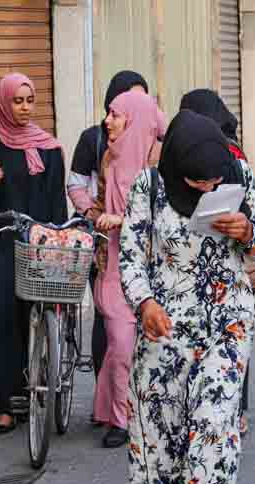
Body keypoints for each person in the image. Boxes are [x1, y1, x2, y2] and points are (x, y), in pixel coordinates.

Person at [119, 109, 255, 484]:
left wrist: (245, 230)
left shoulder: (238, 173)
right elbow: (130, 256)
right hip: (165, 331)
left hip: (227, 326)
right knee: (171, 443)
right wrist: (144, 303)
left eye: (213, 181)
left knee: (213, 429)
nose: (207, 188)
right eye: (196, 183)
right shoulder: (149, 187)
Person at [0, 73, 66, 435]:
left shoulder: (49, 148)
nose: (23, 107)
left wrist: (57, 244)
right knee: (1, 323)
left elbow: (56, 203)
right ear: (5, 103)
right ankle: (5, 405)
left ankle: (37, 393)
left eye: (28, 100)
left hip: (36, 246)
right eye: (17, 101)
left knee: (33, 318)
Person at [79, 90, 162, 448]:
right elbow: (96, 202)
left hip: (150, 269)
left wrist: (123, 220)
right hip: (112, 265)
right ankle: (119, 418)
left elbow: (166, 223)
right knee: (120, 343)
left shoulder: (159, 168)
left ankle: (110, 408)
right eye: (109, 114)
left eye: (115, 115)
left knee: (125, 347)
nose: (107, 121)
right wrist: (93, 215)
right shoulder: (109, 160)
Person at [178, 88, 253, 436]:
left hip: (228, 296)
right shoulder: (167, 166)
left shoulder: (232, 158)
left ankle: (234, 410)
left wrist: (246, 229)